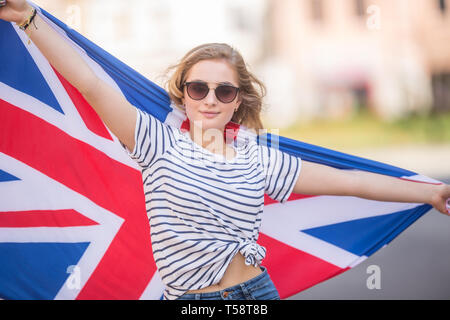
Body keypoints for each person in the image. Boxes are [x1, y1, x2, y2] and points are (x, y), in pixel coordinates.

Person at [1, 0, 449, 300]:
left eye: (224, 90)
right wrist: (28, 18)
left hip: (254, 294)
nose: (210, 98)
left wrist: (429, 192)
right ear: (183, 94)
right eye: (199, 88)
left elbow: (351, 182)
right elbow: (92, 83)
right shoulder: (155, 143)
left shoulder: (261, 158)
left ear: (239, 100)